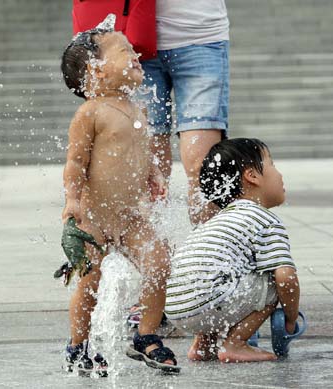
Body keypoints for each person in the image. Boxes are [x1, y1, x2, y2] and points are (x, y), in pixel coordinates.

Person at [57, 18, 179, 374]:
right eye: (126, 51)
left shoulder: (137, 108)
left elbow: (140, 154)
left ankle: (146, 335)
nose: (137, 56)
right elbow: (75, 162)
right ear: (95, 71)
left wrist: (154, 174)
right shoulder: (90, 113)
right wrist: (73, 201)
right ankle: (78, 344)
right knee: (90, 279)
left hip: (128, 217)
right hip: (94, 217)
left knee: (159, 262)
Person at [164, 138, 302, 363]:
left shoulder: (216, 221)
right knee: (273, 281)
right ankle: (235, 344)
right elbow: (286, 277)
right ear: (252, 176)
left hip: (175, 309)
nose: (279, 173)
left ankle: (203, 345)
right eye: (273, 164)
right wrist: (291, 318)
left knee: (217, 278)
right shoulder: (264, 219)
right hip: (210, 302)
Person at [141, 0, 230, 225]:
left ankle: (207, 250)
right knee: (143, 169)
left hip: (200, 36)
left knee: (202, 166)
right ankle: (149, 254)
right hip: (131, 38)